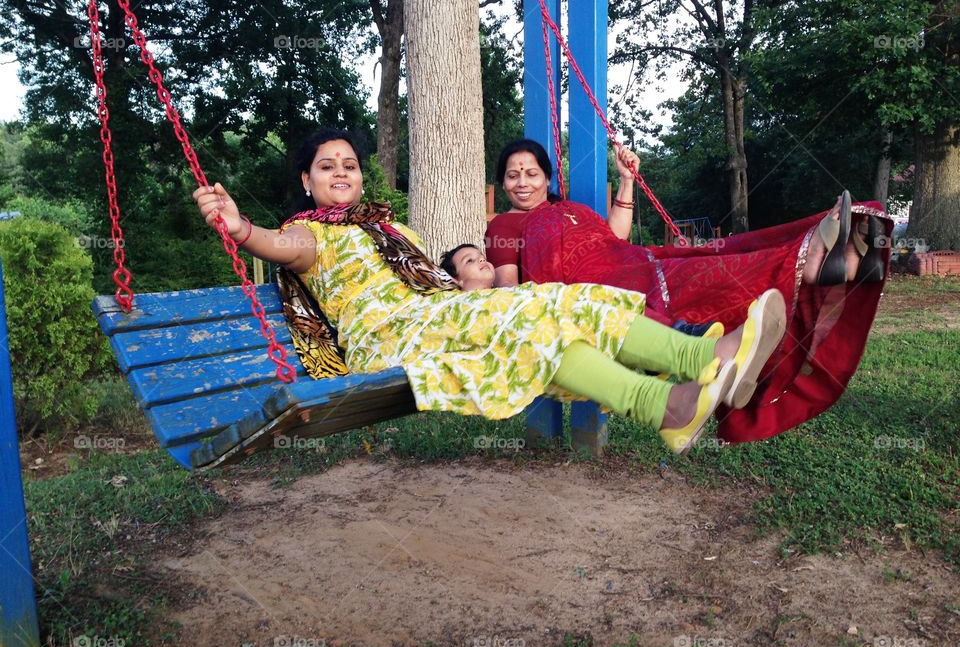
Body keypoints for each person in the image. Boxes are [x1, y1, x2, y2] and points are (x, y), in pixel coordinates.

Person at [194, 129, 788, 454]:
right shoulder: (310, 234)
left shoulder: (390, 229)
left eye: (349, 163)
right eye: (327, 166)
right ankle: (677, 387)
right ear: (307, 179)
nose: (342, 172)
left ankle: (685, 380)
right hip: (391, 339)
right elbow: (267, 243)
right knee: (530, 318)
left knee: (560, 302)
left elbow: (435, 281)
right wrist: (238, 225)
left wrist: (472, 284)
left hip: (438, 315)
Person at [484, 139, 891, 444]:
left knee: (717, 254)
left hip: (628, 260)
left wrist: (626, 182)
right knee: (708, 271)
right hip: (595, 286)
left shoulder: (572, 209)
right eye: (513, 174)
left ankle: (838, 264)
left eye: (531, 172)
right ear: (502, 184)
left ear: (547, 177)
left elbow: (614, 238)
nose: (523, 182)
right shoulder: (505, 225)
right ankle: (821, 263)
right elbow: (507, 289)